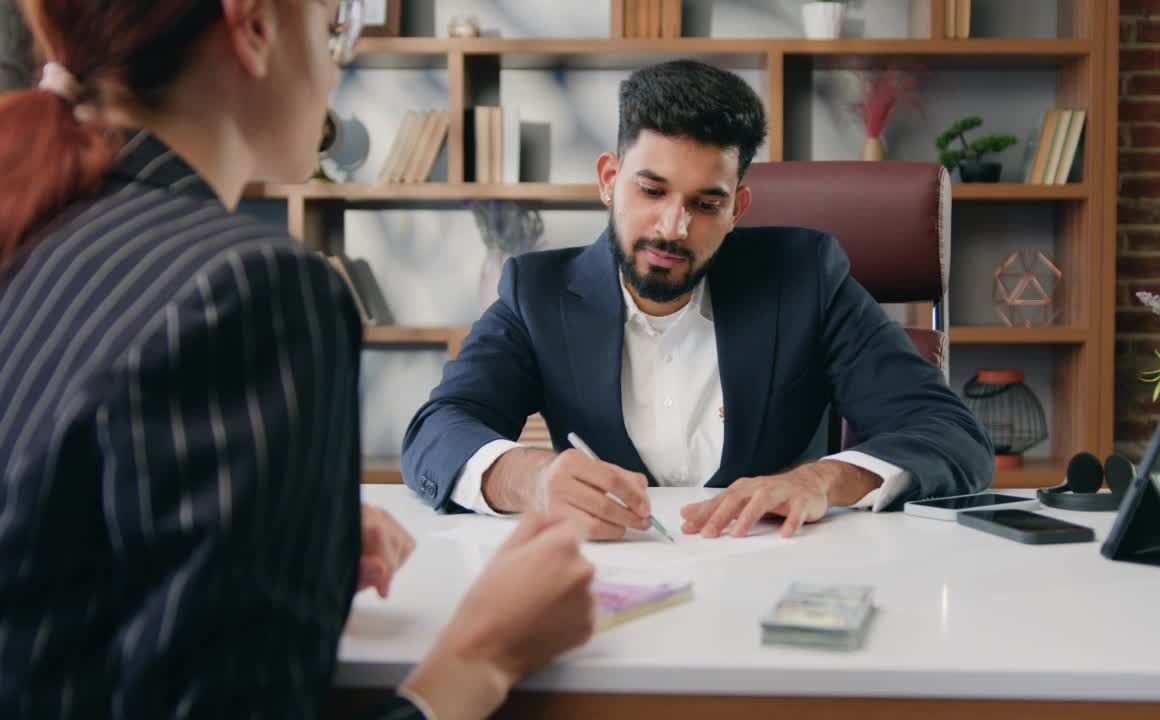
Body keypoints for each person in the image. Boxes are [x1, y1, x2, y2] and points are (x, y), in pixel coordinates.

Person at [0, 1, 594, 718]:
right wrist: (484, 651)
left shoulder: (36, 225)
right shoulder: (249, 291)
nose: (340, 67)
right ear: (253, 27)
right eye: (333, 27)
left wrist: (277, 543)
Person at [402, 59, 994, 541]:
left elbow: (950, 433)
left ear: (737, 208)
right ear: (609, 179)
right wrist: (529, 479)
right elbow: (438, 429)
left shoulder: (805, 276)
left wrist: (823, 480)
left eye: (705, 204)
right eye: (651, 190)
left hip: (776, 573)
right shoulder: (536, 292)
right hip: (612, 583)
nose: (673, 226)